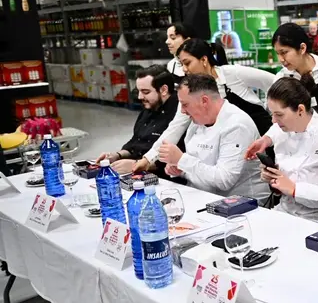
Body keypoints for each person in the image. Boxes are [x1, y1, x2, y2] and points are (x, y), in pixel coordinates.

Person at [133, 39, 276, 173]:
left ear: (204, 60)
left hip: (265, 140)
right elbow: (175, 127)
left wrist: (273, 111)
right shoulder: (190, 91)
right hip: (231, 147)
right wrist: (148, 159)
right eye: (182, 65)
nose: (184, 69)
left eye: (187, 63)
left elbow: (275, 82)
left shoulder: (232, 74)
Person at [243, 23, 318, 161]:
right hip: (303, 152)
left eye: (284, 52)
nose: (281, 59)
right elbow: (278, 119)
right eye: (278, 54)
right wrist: (266, 139)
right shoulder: (282, 78)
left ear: (302, 48)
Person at [158, 74, 268, 199]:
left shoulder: (237, 125)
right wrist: (180, 169)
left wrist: (182, 160)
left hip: (242, 202)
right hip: (204, 196)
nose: (182, 111)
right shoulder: (197, 121)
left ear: (204, 101)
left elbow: (224, 180)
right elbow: (198, 168)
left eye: (185, 104)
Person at [260, 78, 318, 222]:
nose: (273, 120)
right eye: (271, 114)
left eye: (279, 115)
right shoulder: (281, 131)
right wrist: (274, 180)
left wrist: (295, 189)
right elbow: (285, 183)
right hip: (285, 212)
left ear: (300, 110)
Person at [96, 66, 177, 174]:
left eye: (145, 92)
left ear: (163, 90)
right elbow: (136, 143)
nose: (139, 97)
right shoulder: (149, 108)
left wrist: (136, 164)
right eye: (138, 91)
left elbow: (175, 158)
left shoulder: (179, 114)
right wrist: (117, 155)